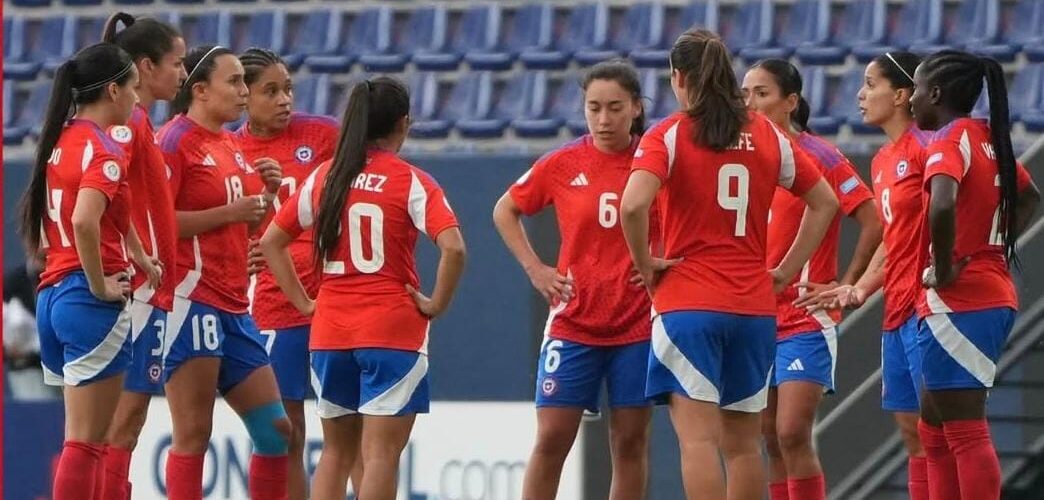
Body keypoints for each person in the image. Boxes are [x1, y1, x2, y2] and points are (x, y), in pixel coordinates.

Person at [619, 29, 840, 500]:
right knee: (744, 447)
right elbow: (825, 203)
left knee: (698, 441)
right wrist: (784, 270)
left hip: (689, 303)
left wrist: (647, 264)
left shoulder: (671, 133)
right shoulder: (767, 134)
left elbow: (633, 206)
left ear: (678, 77)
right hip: (755, 308)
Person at [260, 76, 466, 500]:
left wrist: (303, 301)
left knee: (335, 452)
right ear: (403, 124)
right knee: (380, 456)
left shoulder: (324, 177)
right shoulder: (410, 180)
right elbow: (454, 248)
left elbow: (271, 242)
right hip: (391, 329)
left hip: (331, 330)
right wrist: (436, 304)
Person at [493, 60, 657, 500]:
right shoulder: (564, 162)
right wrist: (536, 268)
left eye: (616, 108)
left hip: (637, 326)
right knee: (551, 440)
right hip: (574, 323)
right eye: (594, 108)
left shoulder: (655, 161)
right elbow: (504, 210)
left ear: (637, 108)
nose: (604, 119)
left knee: (630, 443)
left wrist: (660, 267)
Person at [18, 42, 159, 500]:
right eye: (134, 90)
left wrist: (137, 252)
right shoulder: (106, 149)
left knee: (80, 439)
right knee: (90, 444)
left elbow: (102, 214)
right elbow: (84, 220)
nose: (138, 101)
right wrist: (101, 285)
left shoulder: (61, 141)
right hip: (87, 299)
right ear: (114, 90)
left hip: (53, 295)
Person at [740, 59, 881, 500]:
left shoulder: (818, 155)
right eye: (745, 94)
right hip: (755, 316)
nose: (750, 103)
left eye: (761, 93)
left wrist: (847, 282)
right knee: (767, 437)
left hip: (804, 317)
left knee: (792, 432)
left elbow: (874, 220)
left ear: (791, 101)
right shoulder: (742, 156)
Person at [157, 44, 289, 500]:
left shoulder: (231, 144)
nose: (243, 90)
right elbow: (157, 223)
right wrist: (230, 212)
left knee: (276, 431)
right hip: (192, 300)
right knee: (194, 433)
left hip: (235, 305)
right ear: (199, 90)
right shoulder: (173, 141)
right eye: (233, 81)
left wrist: (267, 194)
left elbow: (247, 222)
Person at [909, 50, 1039, 500]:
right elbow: (1030, 197)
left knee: (964, 432)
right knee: (932, 425)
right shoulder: (985, 136)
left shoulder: (948, 141)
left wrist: (944, 266)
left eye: (919, 90)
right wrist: (994, 246)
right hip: (989, 291)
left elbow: (942, 203)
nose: (912, 101)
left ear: (938, 93)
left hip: (961, 299)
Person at [812, 52, 934, 500]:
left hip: (929, 308)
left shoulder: (928, 148)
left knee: (941, 430)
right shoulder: (883, 160)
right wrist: (860, 286)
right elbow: (894, 236)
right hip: (896, 307)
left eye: (870, 84)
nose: (860, 95)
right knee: (910, 431)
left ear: (901, 94)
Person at [235, 47, 340, 500]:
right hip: (276, 306)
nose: (284, 100)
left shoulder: (324, 136)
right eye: (270, 91)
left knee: (347, 425)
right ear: (245, 96)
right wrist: (240, 253)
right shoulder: (231, 150)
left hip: (334, 298)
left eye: (288, 89)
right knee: (287, 430)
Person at [99, 13, 187, 499]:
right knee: (122, 424)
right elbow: (105, 194)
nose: (182, 73)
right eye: (176, 63)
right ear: (147, 66)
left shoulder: (139, 122)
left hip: (148, 288)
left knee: (123, 425)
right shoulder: (128, 122)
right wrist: (138, 258)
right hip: (136, 290)